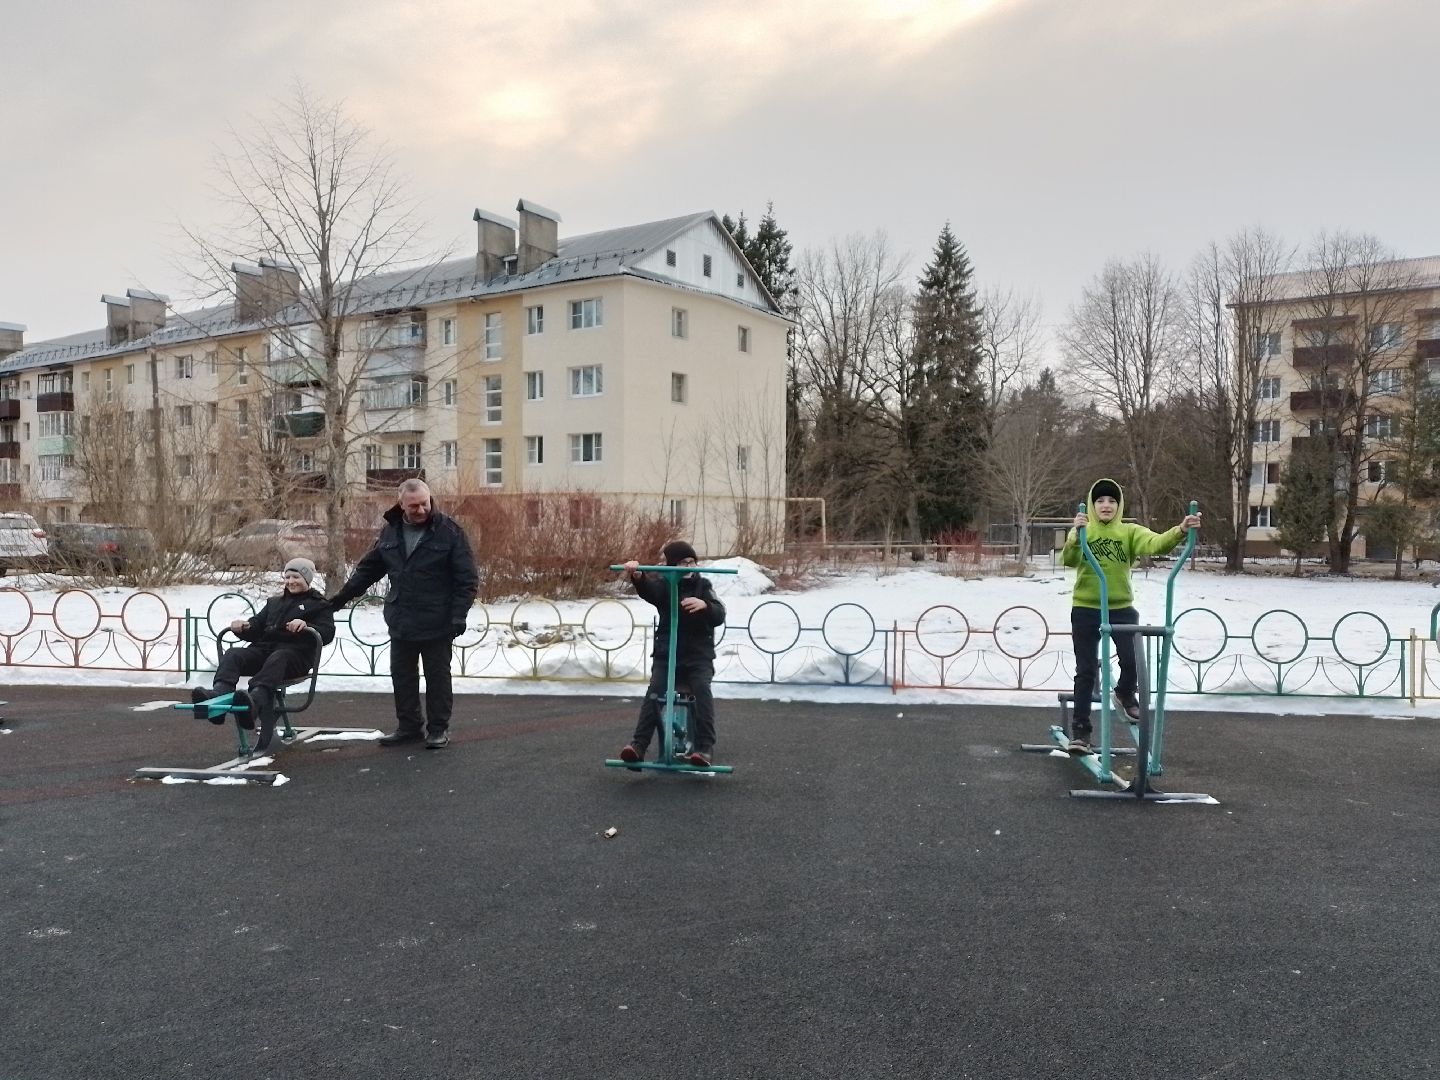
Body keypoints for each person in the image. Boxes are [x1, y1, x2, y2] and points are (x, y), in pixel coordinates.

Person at [324, 479, 478, 749]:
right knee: (402, 676)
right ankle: (408, 727)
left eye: (424, 504)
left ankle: (438, 729)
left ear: (430, 500)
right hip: (401, 619)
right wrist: (340, 599)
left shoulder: (450, 532)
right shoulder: (390, 532)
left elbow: (466, 579)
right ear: (401, 505)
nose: (420, 510)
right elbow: (368, 570)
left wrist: (459, 615)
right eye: (413, 505)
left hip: (438, 620)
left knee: (438, 678)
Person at [1060, 479, 1201, 752]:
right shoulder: (1082, 530)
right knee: (1086, 671)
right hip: (1086, 607)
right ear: (1092, 504)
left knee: (1132, 658)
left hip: (1121, 607)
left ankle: (1125, 692)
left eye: (1112, 501)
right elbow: (1068, 559)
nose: (1106, 506)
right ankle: (1081, 731)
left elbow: (1156, 543)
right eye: (1100, 501)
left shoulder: (1129, 531)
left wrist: (1181, 529)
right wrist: (1076, 535)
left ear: (1119, 505)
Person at [191, 557, 335, 754]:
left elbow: (327, 633)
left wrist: (306, 626)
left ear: (307, 579)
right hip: (265, 651)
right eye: (288, 577)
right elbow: (256, 627)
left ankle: (256, 700)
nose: (291, 581)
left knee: (279, 657)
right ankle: (219, 695)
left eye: (296, 577)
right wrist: (243, 627)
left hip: (295, 655)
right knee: (233, 654)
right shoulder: (274, 603)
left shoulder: (318, 604)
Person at [616, 540, 727, 767]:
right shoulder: (666, 584)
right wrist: (638, 576)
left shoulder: (703, 585)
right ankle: (638, 746)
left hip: (698, 656)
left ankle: (704, 748)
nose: (689, 567)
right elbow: (651, 590)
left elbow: (719, 613)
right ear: (673, 565)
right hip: (668, 655)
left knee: (702, 691)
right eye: (683, 563)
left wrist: (705, 606)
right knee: (655, 692)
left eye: (692, 562)